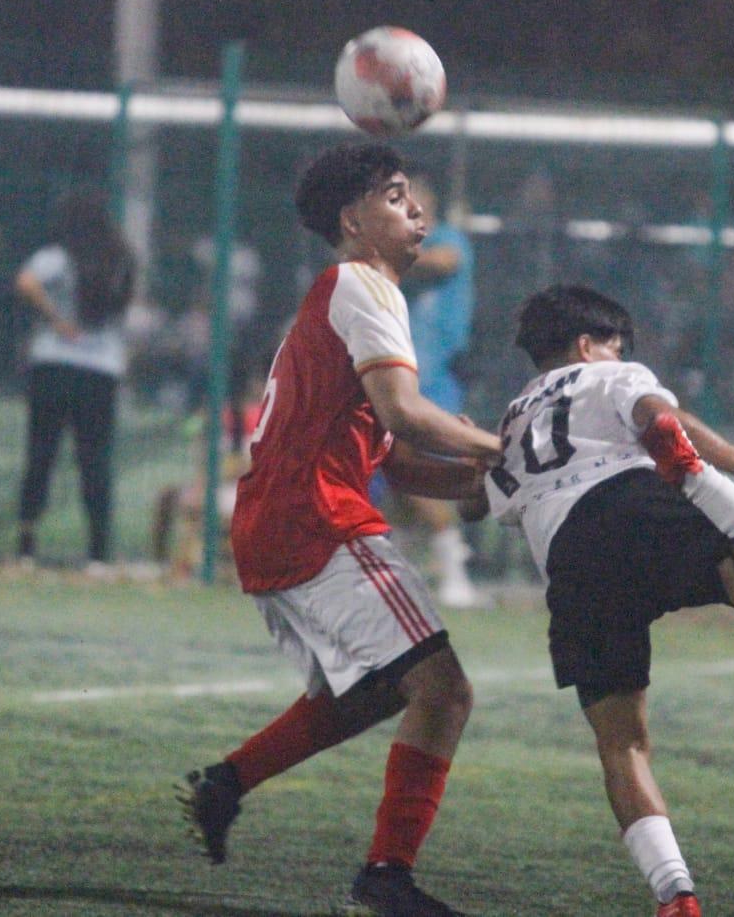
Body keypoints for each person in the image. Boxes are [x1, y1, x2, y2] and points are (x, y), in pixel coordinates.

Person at [178, 143, 502, 917]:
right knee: (444, 690)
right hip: (314, 517)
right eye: (396, 197)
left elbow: (397, 458)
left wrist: (489, 482)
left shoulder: (345, 296)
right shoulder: (363, 285)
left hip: (278, 521)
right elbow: (403, 415)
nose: (417, 209)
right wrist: (503, 447)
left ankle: (228, 780)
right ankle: (385, 877)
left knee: (380, 692)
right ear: (353, 220)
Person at [474, 284, 734, 917]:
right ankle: (703, 483)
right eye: (615, 345)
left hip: (571, 562)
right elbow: (667, 423)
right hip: (637, 506)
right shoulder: (613, 375)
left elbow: (489, 503)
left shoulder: (511, 420)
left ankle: (676, 896)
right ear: (588, 345)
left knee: (622, 744)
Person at [14, 190, 135, 572]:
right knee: (95, 459)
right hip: (101, 370)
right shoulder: (120, 260)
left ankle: (26, 548)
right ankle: (98, 552)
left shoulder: (56, 257)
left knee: (41, 454)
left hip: (53, 365)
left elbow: (26, 282)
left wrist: (55, 319)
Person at [390, 175, 487, 609]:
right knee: (393, 480)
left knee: (417, 469)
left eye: (416, 195)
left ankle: (455, 570)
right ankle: (421, 568)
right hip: (397, 378)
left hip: (435, 381)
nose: (410, 203)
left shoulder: (447, 241)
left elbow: (443, 262)